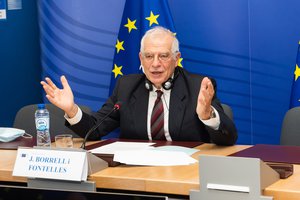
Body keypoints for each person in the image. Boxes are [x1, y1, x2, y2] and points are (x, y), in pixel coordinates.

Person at [41, 26, 237, 145]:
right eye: (149, 56)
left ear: (177, 59)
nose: (155, 64)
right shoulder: (127, 86)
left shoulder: (197, 86)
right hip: (136, 172)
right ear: (140, 59)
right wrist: (72, 109)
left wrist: (208, 116)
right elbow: (95, 130)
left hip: (185, 173)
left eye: (163, 56)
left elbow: (228, 139)